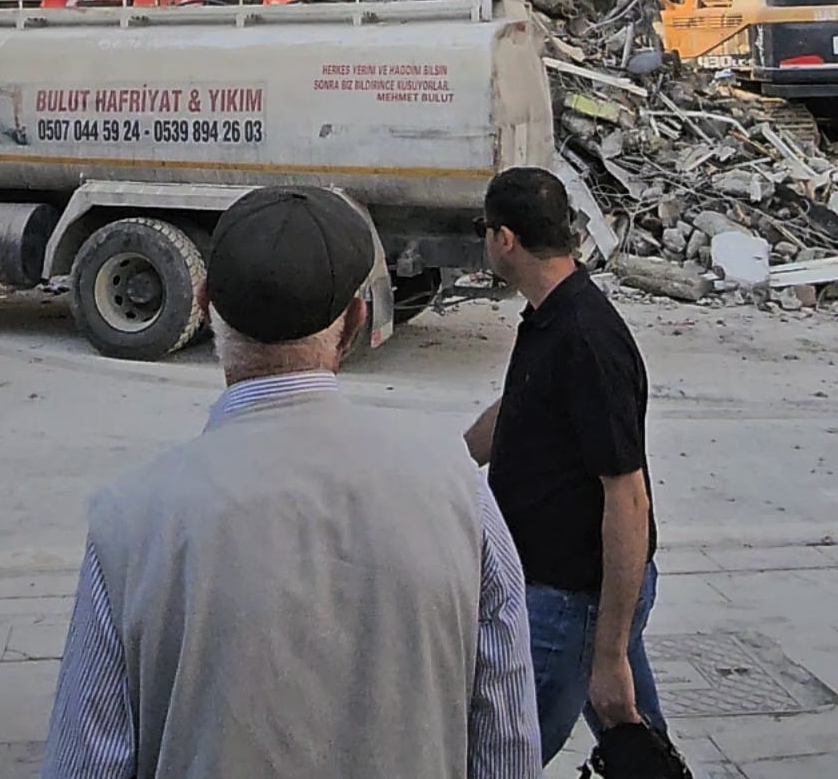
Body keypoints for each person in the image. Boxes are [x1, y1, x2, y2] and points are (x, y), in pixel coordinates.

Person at [43, 186, 542, 779]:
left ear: (203, 304)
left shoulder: (132, 521)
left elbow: (86, 763)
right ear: (355, 323)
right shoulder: (459, 493)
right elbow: (507, 747)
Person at [465, 167, 665, 767]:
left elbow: (627, 498)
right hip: (574, 603)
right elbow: (522, 408)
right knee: (638, 747)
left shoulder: (585, 337)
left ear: (504, 239)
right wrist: (447, 463)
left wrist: (606, 655)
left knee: (500, 759)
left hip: (571, 606)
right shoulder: (550, 315)